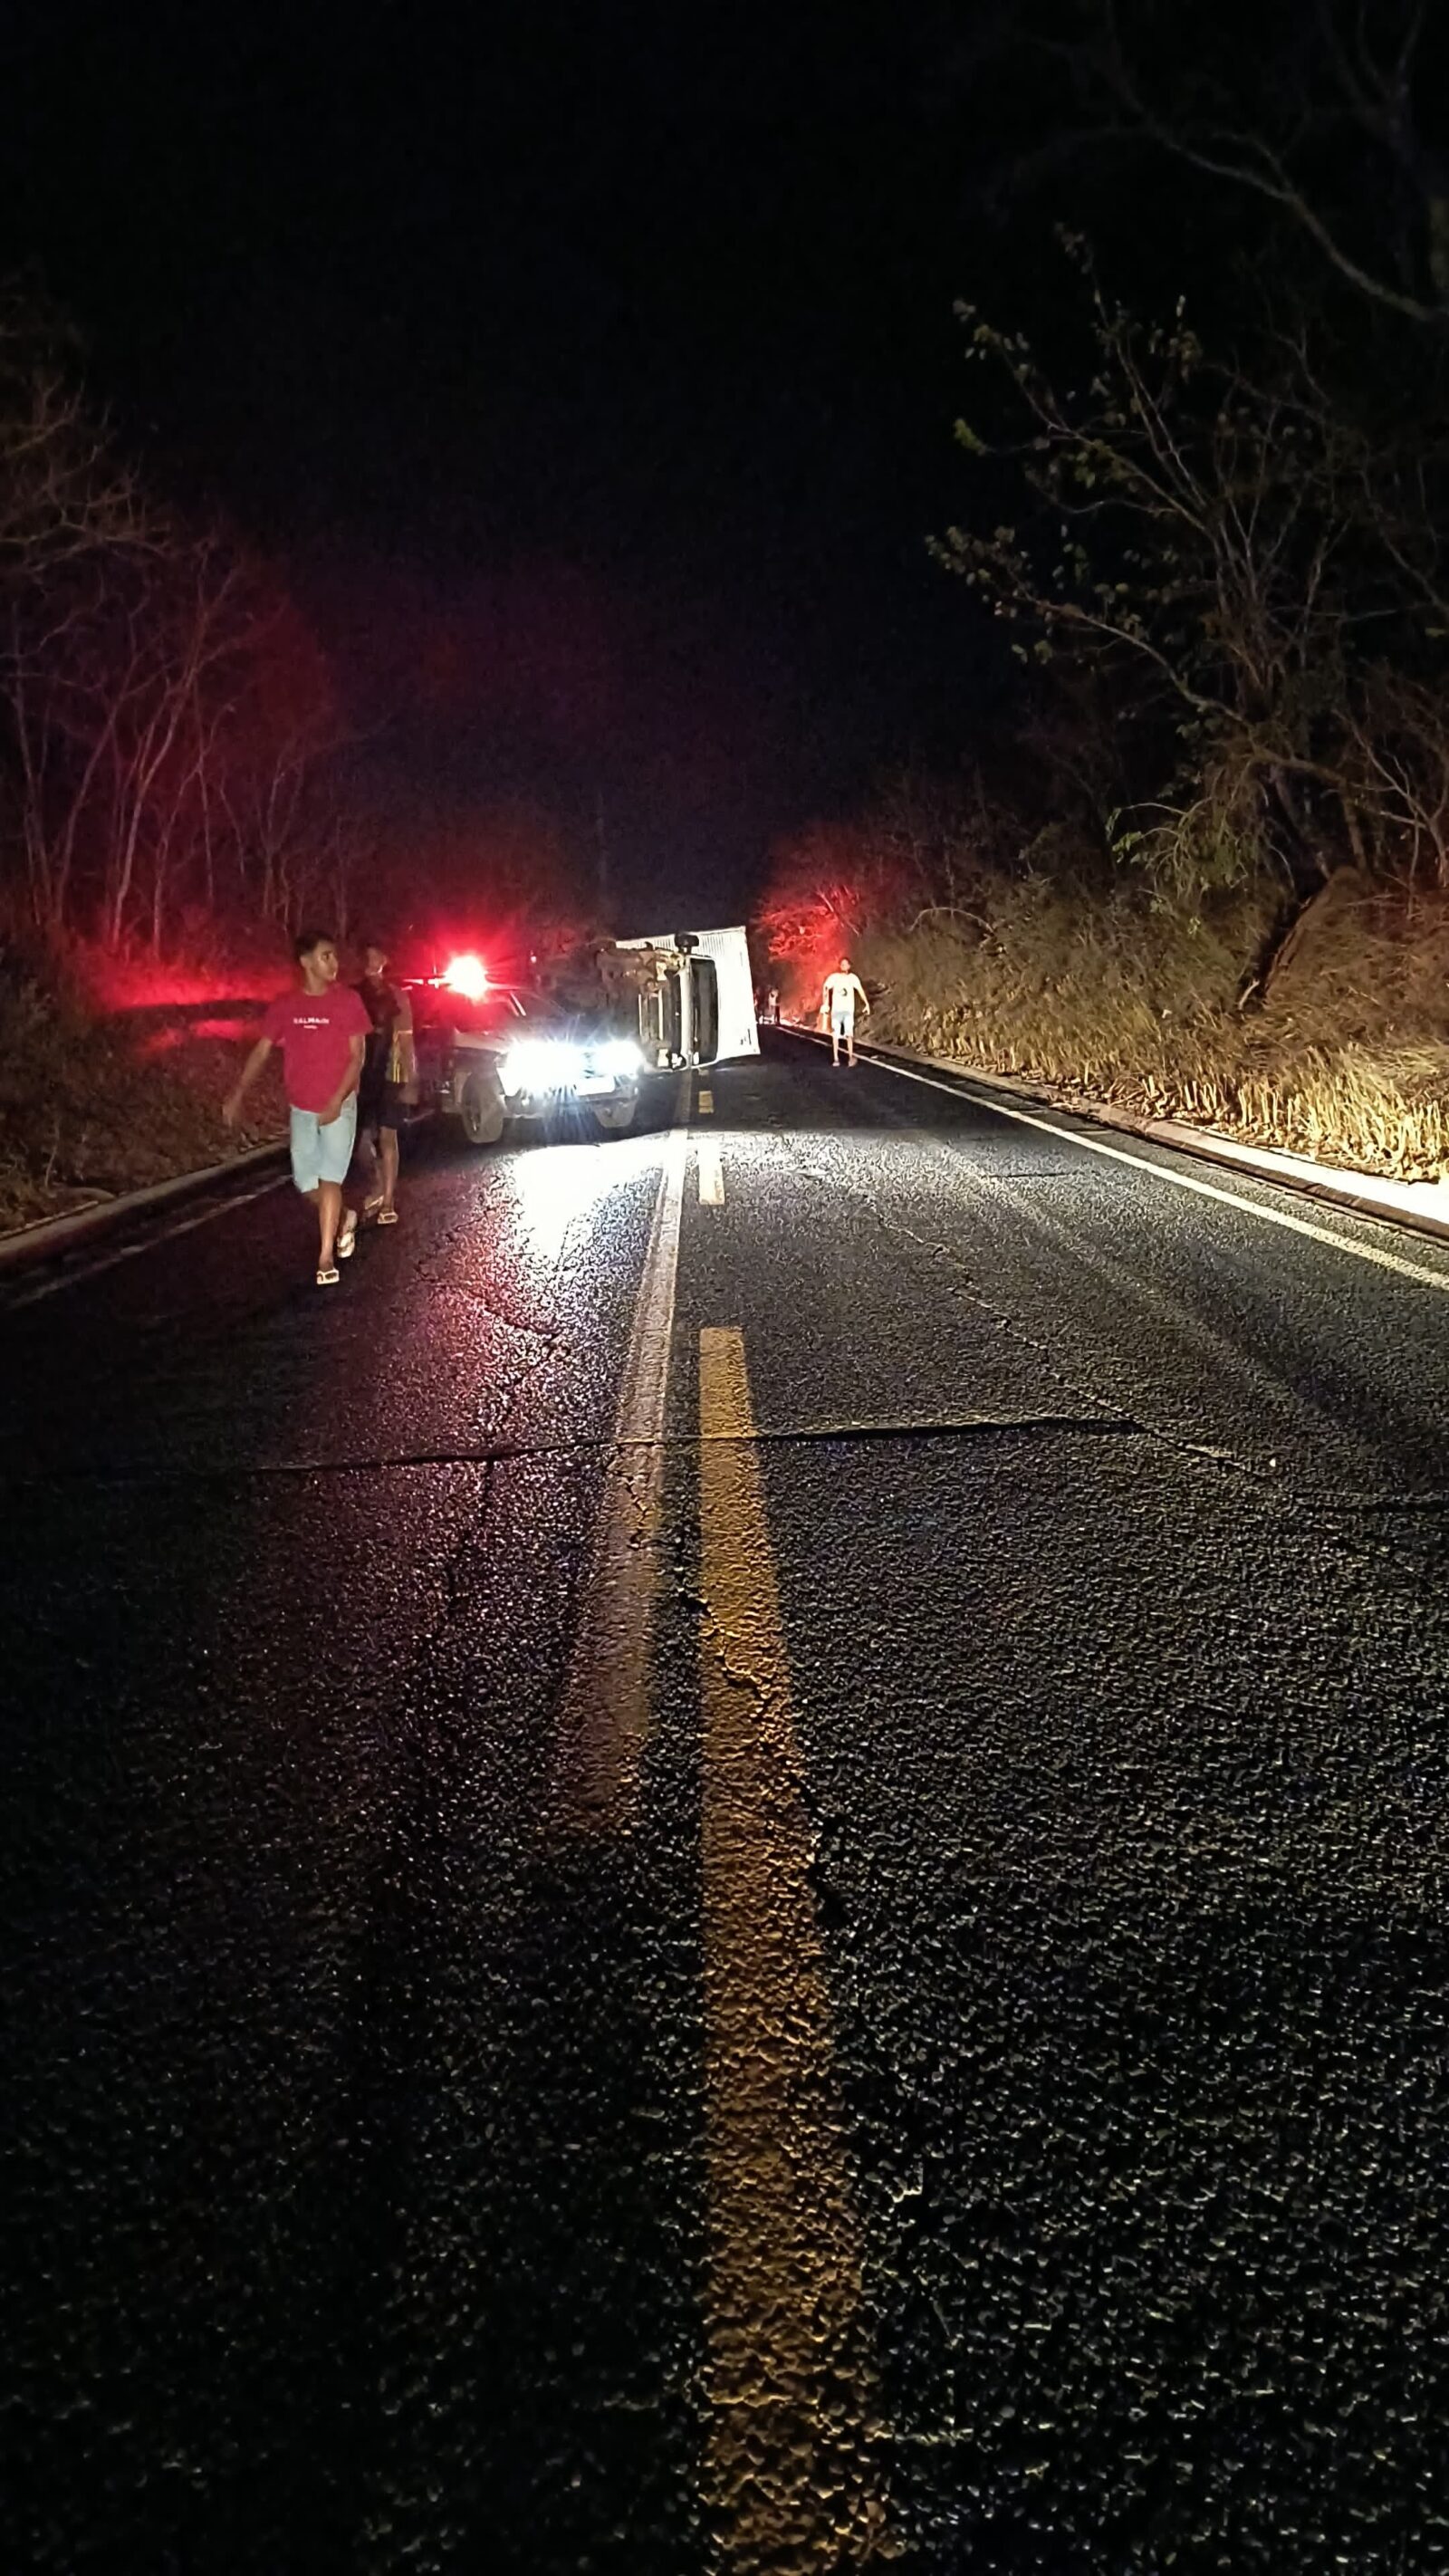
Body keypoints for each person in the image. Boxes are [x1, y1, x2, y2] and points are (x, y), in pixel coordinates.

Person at [223, 928, 370, 1286]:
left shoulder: (348, 1001)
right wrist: (238, 1093)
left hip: (339, 1104)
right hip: (301, 1107)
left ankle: (324, 1257)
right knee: (306, 1184)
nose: (334, 963)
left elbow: (358, 1056)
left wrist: (337, 1100)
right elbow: (261, 1051)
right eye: (325, 956)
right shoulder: (286, 1005)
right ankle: (344, 1216)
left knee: (330, 1177)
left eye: (334, 955)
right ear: (305, 962)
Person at [355, 938, 416, 1226]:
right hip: (358, 1075)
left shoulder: (397, 996)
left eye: (376, 955)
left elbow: (406, 1040)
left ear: (385, 960)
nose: (371, 961)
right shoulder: (352, 995)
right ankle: (377, 1183)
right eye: (367, 955)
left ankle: (389, 1201)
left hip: (390, 1073)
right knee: (361, 1140)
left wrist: (411, 1076)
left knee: (388, 1136)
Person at [821, 955, 870, 1068]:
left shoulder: (853, 978)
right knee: (835, 1034)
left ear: (849, 966)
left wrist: (866, 1004)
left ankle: (850, 1057)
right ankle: (836, 1059)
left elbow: (860, 990)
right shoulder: (834, 977)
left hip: (848, 1010)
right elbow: (826, 988)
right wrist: (825, 1003)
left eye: (846, 964)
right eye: (842, 964)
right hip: (837, 1010)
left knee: (849, 1034)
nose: (844, 965)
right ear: (840, 966)